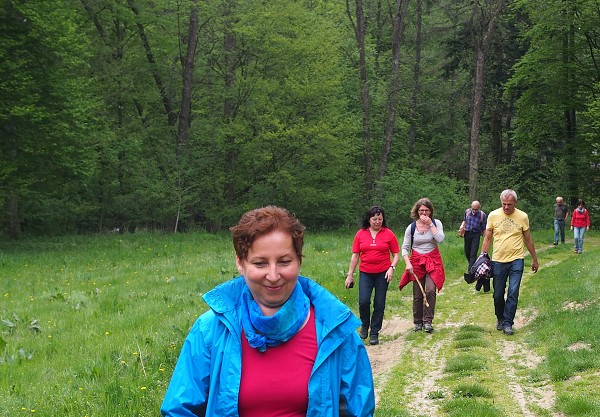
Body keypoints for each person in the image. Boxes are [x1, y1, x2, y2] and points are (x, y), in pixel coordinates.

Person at [161, 206, 375, 417]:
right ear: (240, 263)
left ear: (299, 261)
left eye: (284, 261)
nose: (273, 275)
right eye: (260, 263)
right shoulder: (210, 330)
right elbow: (178, 409)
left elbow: (360, 408)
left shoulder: (335, 330)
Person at [480, 189, 539, 336]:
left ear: (515, 203)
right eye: (504, 204)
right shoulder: (493, 215)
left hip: (516, 260)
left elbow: (528, 239)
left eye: (509, 204)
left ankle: (508, 323)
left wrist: (535, 259)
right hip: (498, 260)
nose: (506, 207)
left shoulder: (522, 217)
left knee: (513, 292)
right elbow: (487, 238)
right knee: (498, 294)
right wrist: (482, 257)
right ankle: (500, 318)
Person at [345, 206, 400, 346]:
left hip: (383, 273)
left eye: (380, 219)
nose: (377, 222)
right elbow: (355, 255)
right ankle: (364, 326)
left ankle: (374, 332)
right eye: (374, 219)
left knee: (379, 303)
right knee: (364, 301)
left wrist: (391, 268)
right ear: (369, 219)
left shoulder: (389, 234)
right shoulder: (360, 234)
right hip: (366, 273)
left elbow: (396, 254)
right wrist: (350, 275)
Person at [398, 198, 446, 333]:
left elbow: (440, 239)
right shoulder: (411, 227)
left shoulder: (436, 223)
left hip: (433, 260)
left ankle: (428, 321)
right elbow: (405, 248)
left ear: (430, 211)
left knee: (430, 289)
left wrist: (431, 224)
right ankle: (417, 321)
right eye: (421, 210)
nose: (424, 213)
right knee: (418, 294)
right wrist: (408, 264)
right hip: (416, 261)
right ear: (417, 212)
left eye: (426, 210)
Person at [458, 201, 487, 270]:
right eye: (473, 209)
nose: (474, 211)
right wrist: (461, 227)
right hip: (467, 233)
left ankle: (471, 270)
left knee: (473, 253)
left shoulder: (482, 215)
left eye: (476, 209)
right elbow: (464, 220)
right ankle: (474, 264)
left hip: (476, 235)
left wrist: (486, 238)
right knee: (467, 251)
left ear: (479, 208)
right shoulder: (467, 212)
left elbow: (484, 228)